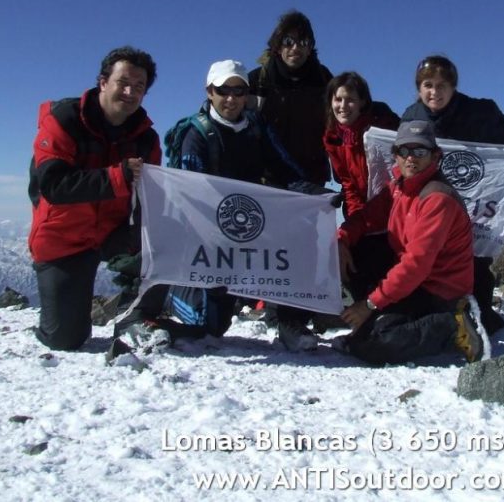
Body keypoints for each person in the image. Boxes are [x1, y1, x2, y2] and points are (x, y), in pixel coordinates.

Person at [113, 60, 316, 347]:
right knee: (210, 326)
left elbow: (283, 167)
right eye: (223, 90)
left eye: (239, 90)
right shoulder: (195, 134)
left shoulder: (256, 127)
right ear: (210, 91)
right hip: (201, 235)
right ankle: (161, 294)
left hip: (244, 224)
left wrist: (313, 195)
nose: (231, 98)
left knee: (297, 230)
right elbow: (189, 196)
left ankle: (290, 322)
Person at [401, 55, 504, 335]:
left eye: (442, 85)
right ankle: (438, 317)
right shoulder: (411, 117)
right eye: (428, 85)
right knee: (432, 254)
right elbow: (402, 151)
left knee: (476, 256)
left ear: (453, 87)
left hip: (477, 198)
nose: (435, 92)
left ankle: (481, 317)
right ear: (419, 88)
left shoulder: (480, 112)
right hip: (434, 199)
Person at [28, 46, 160, 350]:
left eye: (138, 86)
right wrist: (118, 176)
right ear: (103, 82)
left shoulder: (145, 137)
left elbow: (151, 195)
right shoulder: (64, 120)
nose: (130, 92)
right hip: (64, 238)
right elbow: (53, 184)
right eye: (122, 82)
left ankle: (140, 315)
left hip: (112, 233)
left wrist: (149, 236)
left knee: (167, 245)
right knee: (66, 339)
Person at [336, 120, 482, 365]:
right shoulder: (399, 188)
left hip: (439, 292)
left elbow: (416, 265)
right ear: (395, 155)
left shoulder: (437, 198)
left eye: (420, 151)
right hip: (415, 285)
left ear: (435, 156)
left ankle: (452, 327)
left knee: (372, 344)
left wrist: (370, 304)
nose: (410, 158)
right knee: (360, 248)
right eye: (403, 151)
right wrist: (342, 241)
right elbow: (364, 218)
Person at [249, 10, 333, 351]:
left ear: (311, 46)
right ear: (277, 45)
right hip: (268, 178)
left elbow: (347, 113)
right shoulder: (260, 79)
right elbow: (223, 111)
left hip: (309, 177)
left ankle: (292, 318)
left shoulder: (324, 80)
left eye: (303, 41)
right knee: (272, 248)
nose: (295, 47)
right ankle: (276, 311)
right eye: (288, 41)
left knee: (303, 248)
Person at [322, 72, 399, 303]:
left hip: (393, 215)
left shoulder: (382, 132)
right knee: (353, 263)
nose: (343, 106)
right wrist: (354, 225)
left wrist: (353, 227)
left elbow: (390, 187)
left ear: (363, 102)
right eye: (338, 99)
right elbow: (349, 185)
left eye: (350, 99)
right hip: (364, 216)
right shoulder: (333, 137)